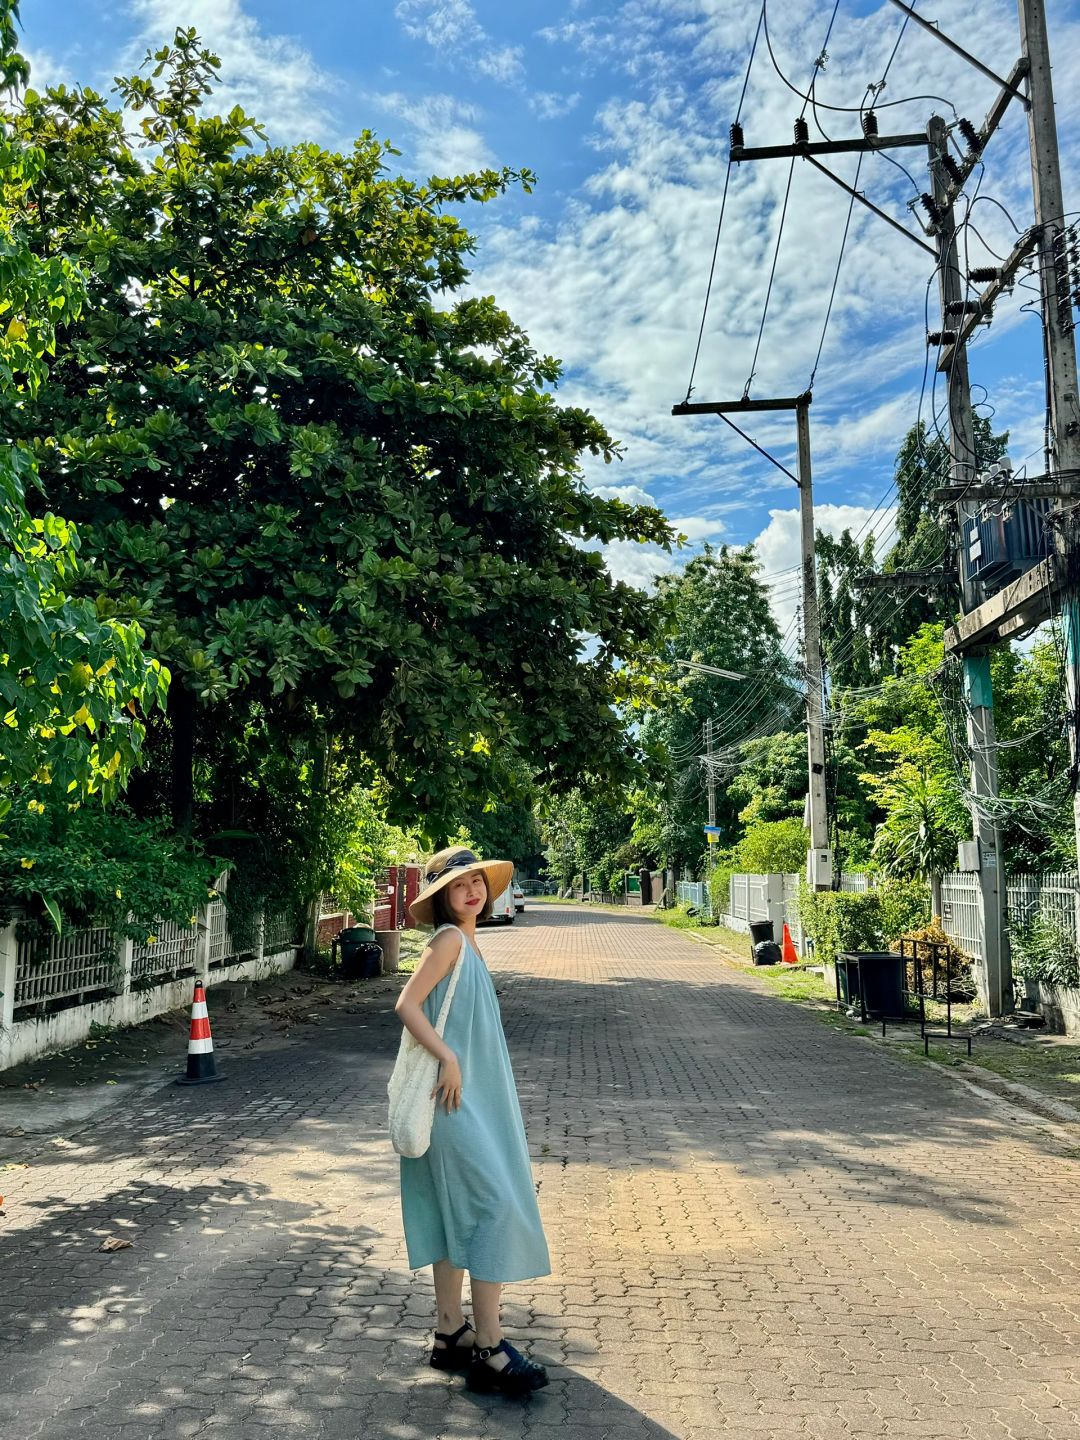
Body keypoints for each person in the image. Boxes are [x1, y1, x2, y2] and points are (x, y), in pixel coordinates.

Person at [394, 846, 551, 1398]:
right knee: (494, 1207)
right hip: (452, 1101)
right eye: (460, 886)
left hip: (468, 1101)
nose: (473, 891)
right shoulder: (450, 941)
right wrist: (450, 1057)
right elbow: (407, 1005)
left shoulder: (471, 943)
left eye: (478, 882)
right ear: (440, 898)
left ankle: (448, 1331)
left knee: (449, 1212)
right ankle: (489, 1346)